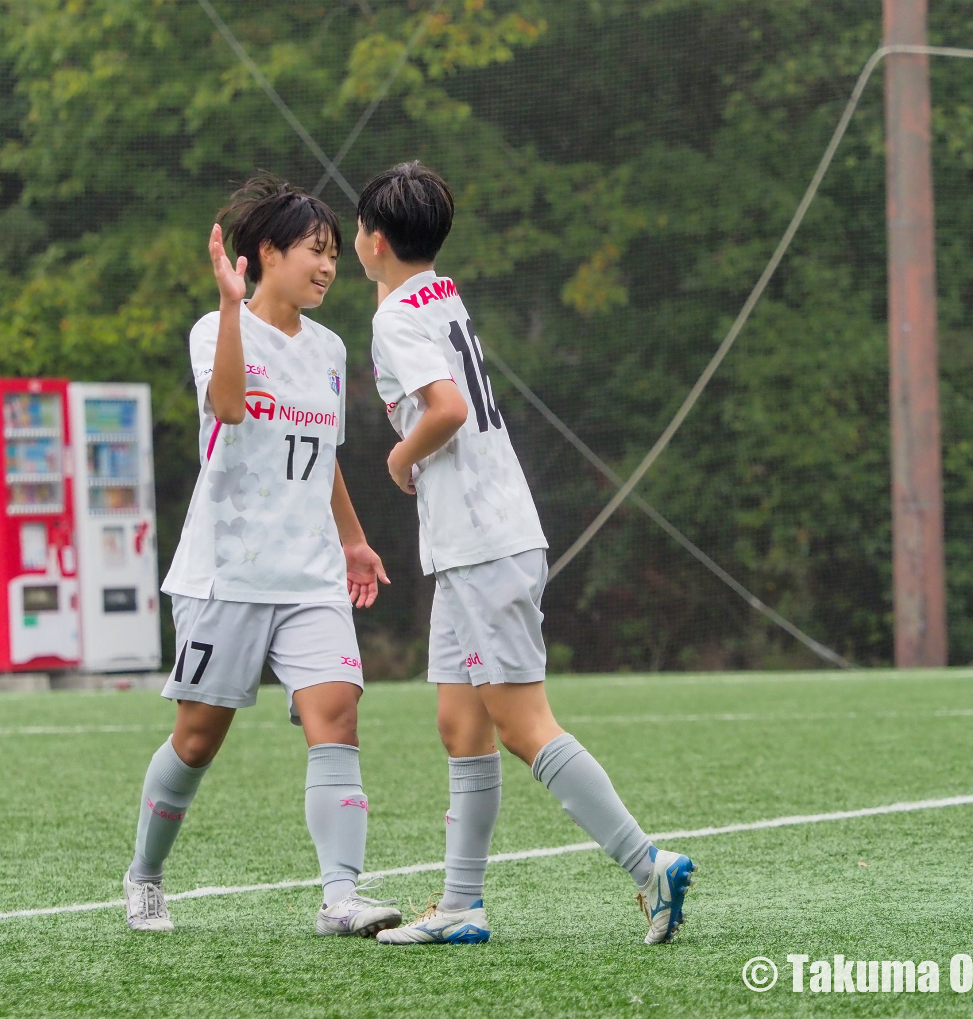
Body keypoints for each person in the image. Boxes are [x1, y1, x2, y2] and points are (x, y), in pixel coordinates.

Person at [353, 162, 695, 946]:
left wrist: (400, 460)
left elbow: (446, 407)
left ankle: (649, 864)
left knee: (520, 721)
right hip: (473, 543)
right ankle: (463, 905)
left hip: (482, 542)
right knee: (458, 720)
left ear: (372, 241)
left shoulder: (396, 316)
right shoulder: (439, 291)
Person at [123, 176, 401, 939]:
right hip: (229, 573)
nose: (328, 267)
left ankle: (340, 896)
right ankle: (145, 875)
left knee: (337, 711)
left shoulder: (333, 349)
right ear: (266, 253)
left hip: (311, 572)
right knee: (197, 738)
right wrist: (229, 304)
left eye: (335, 254)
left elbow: (324, 455)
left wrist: (351, 537)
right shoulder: (216, 328)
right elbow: (229, 406)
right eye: (315, 251)